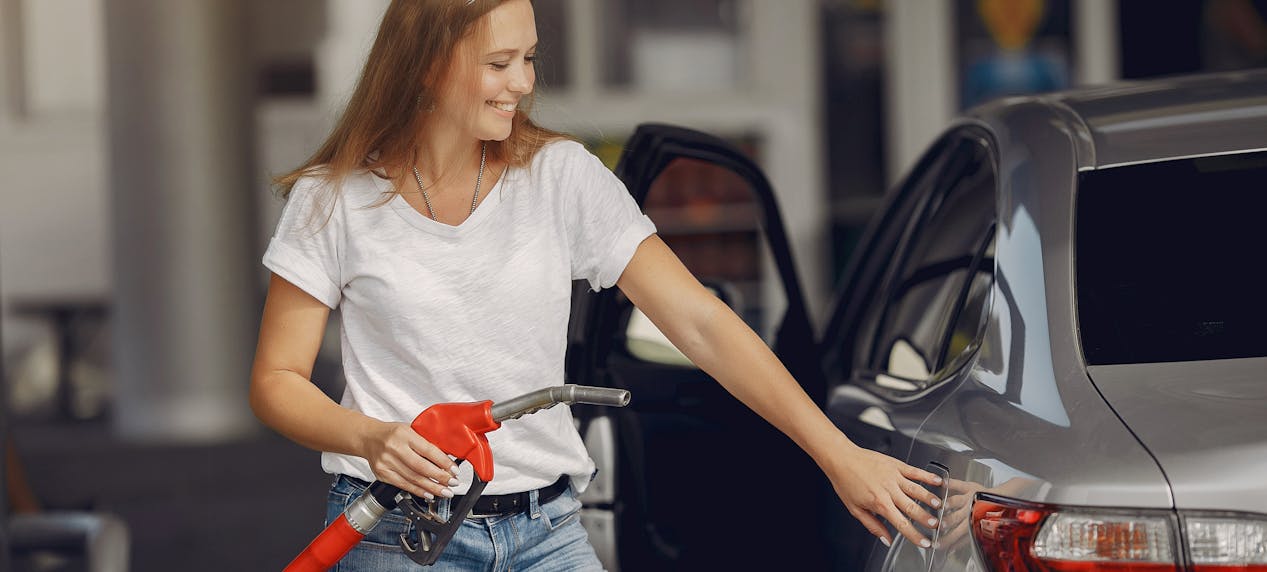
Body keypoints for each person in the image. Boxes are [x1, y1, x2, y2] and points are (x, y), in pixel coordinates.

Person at [249, 0, 943, 569]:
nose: (521, 83)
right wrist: (371, 437)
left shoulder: (561, 178)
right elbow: (277, 380)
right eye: (498, 64)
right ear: (427, 66)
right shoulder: (333, 200)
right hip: (395, 531)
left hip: (545, 532)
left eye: (528, 60)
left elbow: (700, 322)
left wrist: (837, 454)